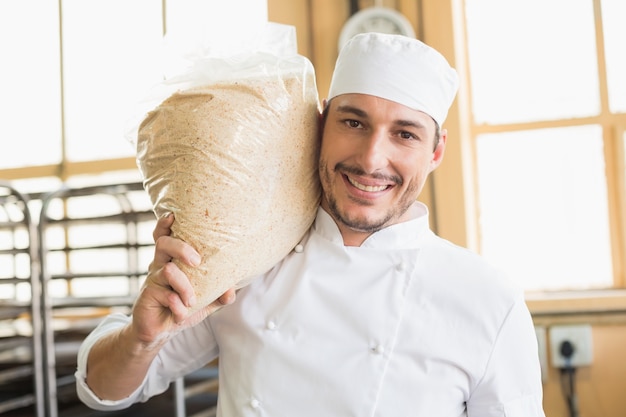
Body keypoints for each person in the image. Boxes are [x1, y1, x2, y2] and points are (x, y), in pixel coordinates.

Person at [76, 32, 546, 416]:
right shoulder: (251, 260)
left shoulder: (487, 301)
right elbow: (105, 390)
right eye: (354, 123)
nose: (371, 159)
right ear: (320, 122)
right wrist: (140, 340)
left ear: (436, 151)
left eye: (404, 134)